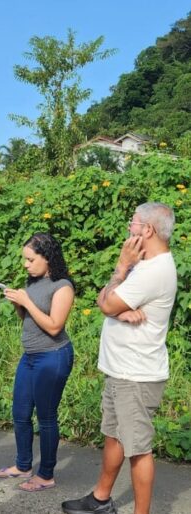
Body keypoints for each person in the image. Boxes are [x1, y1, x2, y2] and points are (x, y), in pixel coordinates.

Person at [62, 202, 177, 514]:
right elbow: (105, 299)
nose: (129, 227)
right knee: (114, 436)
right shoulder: (143, 264)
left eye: (134, 222)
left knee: (138, 449)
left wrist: (120, 269)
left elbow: (106, 304)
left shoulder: (152, 269)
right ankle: (101, 499)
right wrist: (116, 303)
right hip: (122, 370)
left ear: (148, 230)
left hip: (136, 375)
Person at [0, 233, 75, 492]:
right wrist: (18, 303)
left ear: (47, 258)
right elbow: (29, 319)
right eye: (24, 260)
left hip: (53, 357)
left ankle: (46, 474)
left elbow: (53, 326)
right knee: (19, 413)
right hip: (30, 357)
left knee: (46, 416)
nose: (25, 265)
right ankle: (23, 465)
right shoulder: (34, 283)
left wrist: (26, 300)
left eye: (30, 259)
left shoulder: (63, 286)